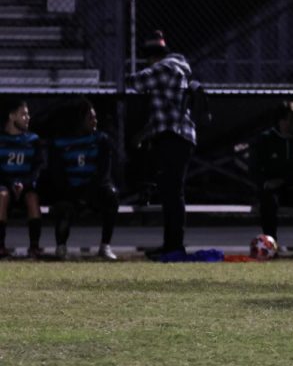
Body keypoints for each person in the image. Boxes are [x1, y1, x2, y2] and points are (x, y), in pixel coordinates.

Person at [126, 31, 195, 260]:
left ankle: (175, 246)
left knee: (173, 194)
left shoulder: (166, 68)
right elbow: (162, 114)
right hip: (174, 134)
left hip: (174, 137)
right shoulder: (175, 69)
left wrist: (120, 76)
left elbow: (137, 81)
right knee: (169, 193)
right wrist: (143, 134)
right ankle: (171, 244)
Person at [46, 98, 118, 260]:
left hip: (93, 190)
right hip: (71, 191)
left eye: (95, 117)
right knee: (63, 206)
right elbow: (57, 174)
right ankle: (61, 247)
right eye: (90, 118)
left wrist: (87, 194)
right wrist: (72, 194)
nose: (95, 121)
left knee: (111, 196)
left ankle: (105, 246)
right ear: (79, 120)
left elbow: (103, 173)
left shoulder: (101, 140)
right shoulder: (60, 143)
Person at [249, 101, 293, 258]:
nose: (292, 124)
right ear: (279, 120)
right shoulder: (265, 140)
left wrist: (288, 180)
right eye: (288, 120)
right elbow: (254, 168)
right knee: (269, 203)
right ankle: (271, 247)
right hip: (272, 188)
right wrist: (265, 182)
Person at [0, 98, 44, 258]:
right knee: (1, 196)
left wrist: (24, 183)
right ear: (12, 116)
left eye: (28, 114)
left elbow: (37, 168)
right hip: (5, 186)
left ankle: (34, 247)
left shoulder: (33, 140)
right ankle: (1, 247)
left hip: (25, 186)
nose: (28, 118)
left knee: (32, 198)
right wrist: (11, 183)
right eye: (23, 114)